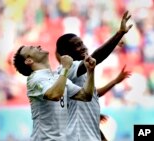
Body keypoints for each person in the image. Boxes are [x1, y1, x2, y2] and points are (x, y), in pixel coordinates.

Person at [55, 11, 132, 141]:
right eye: (77, 45)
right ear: (66, 53)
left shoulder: (77, 73)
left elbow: (93, 95)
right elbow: (98, 56)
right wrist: (119, 33)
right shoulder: (68, 69)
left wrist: (114, 81)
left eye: (82, 43)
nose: (83, 47)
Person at [13, 45, 96, 141]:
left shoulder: (57, 77)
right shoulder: (34, 79)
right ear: (29, 60)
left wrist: (90, 71)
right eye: (32, 48)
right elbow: (55, 95)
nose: (38, 46)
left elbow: (86, 95)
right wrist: (65, 68)